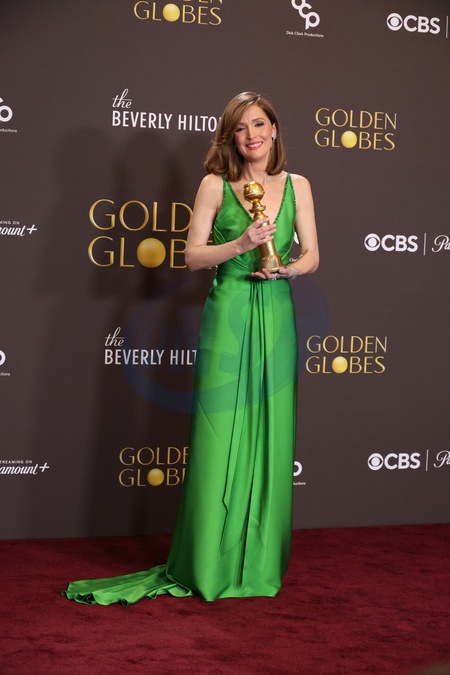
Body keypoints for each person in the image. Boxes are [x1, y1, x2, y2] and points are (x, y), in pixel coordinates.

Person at [62, 91, 319, 605]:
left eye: (259, 124)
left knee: (272, 433)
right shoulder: (214, 185)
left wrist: (287, 269)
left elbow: (312, 254)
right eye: (241, 128)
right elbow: (191, 256)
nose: (252, 135)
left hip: (277, 312)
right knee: (218, 434)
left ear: (274, 129)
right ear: (231, 138)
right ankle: (206, 561)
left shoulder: (298, 185)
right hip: (229, 311)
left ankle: (258, 563)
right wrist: (242, 245)